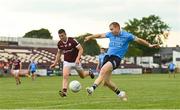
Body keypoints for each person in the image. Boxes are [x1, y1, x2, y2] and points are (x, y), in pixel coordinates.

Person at [84, 22, 159, 101]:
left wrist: (149, 45)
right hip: (107, 57)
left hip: (116, 58)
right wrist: (90, 37)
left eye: (112, 29)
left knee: (102, 70)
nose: (111, 31)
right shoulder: (110, 34)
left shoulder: (127, 35)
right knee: (106, 82)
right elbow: (100, 35)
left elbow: (138, 40)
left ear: (117, 27)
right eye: (110, 30)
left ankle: (92, 89)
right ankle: (120, 94)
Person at [50, 29, 95, 97]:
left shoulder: (72, 40)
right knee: (65, 76)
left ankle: (89, 72)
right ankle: (64, 92)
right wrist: (55, 63)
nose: (61, 37)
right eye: (59, 36)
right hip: (67, 62)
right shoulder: (60, 43)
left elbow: (81, 49)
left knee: (82, 76)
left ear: (65, 34)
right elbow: (59, 53)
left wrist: (77, 58)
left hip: (76, 61)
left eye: (62, 36)